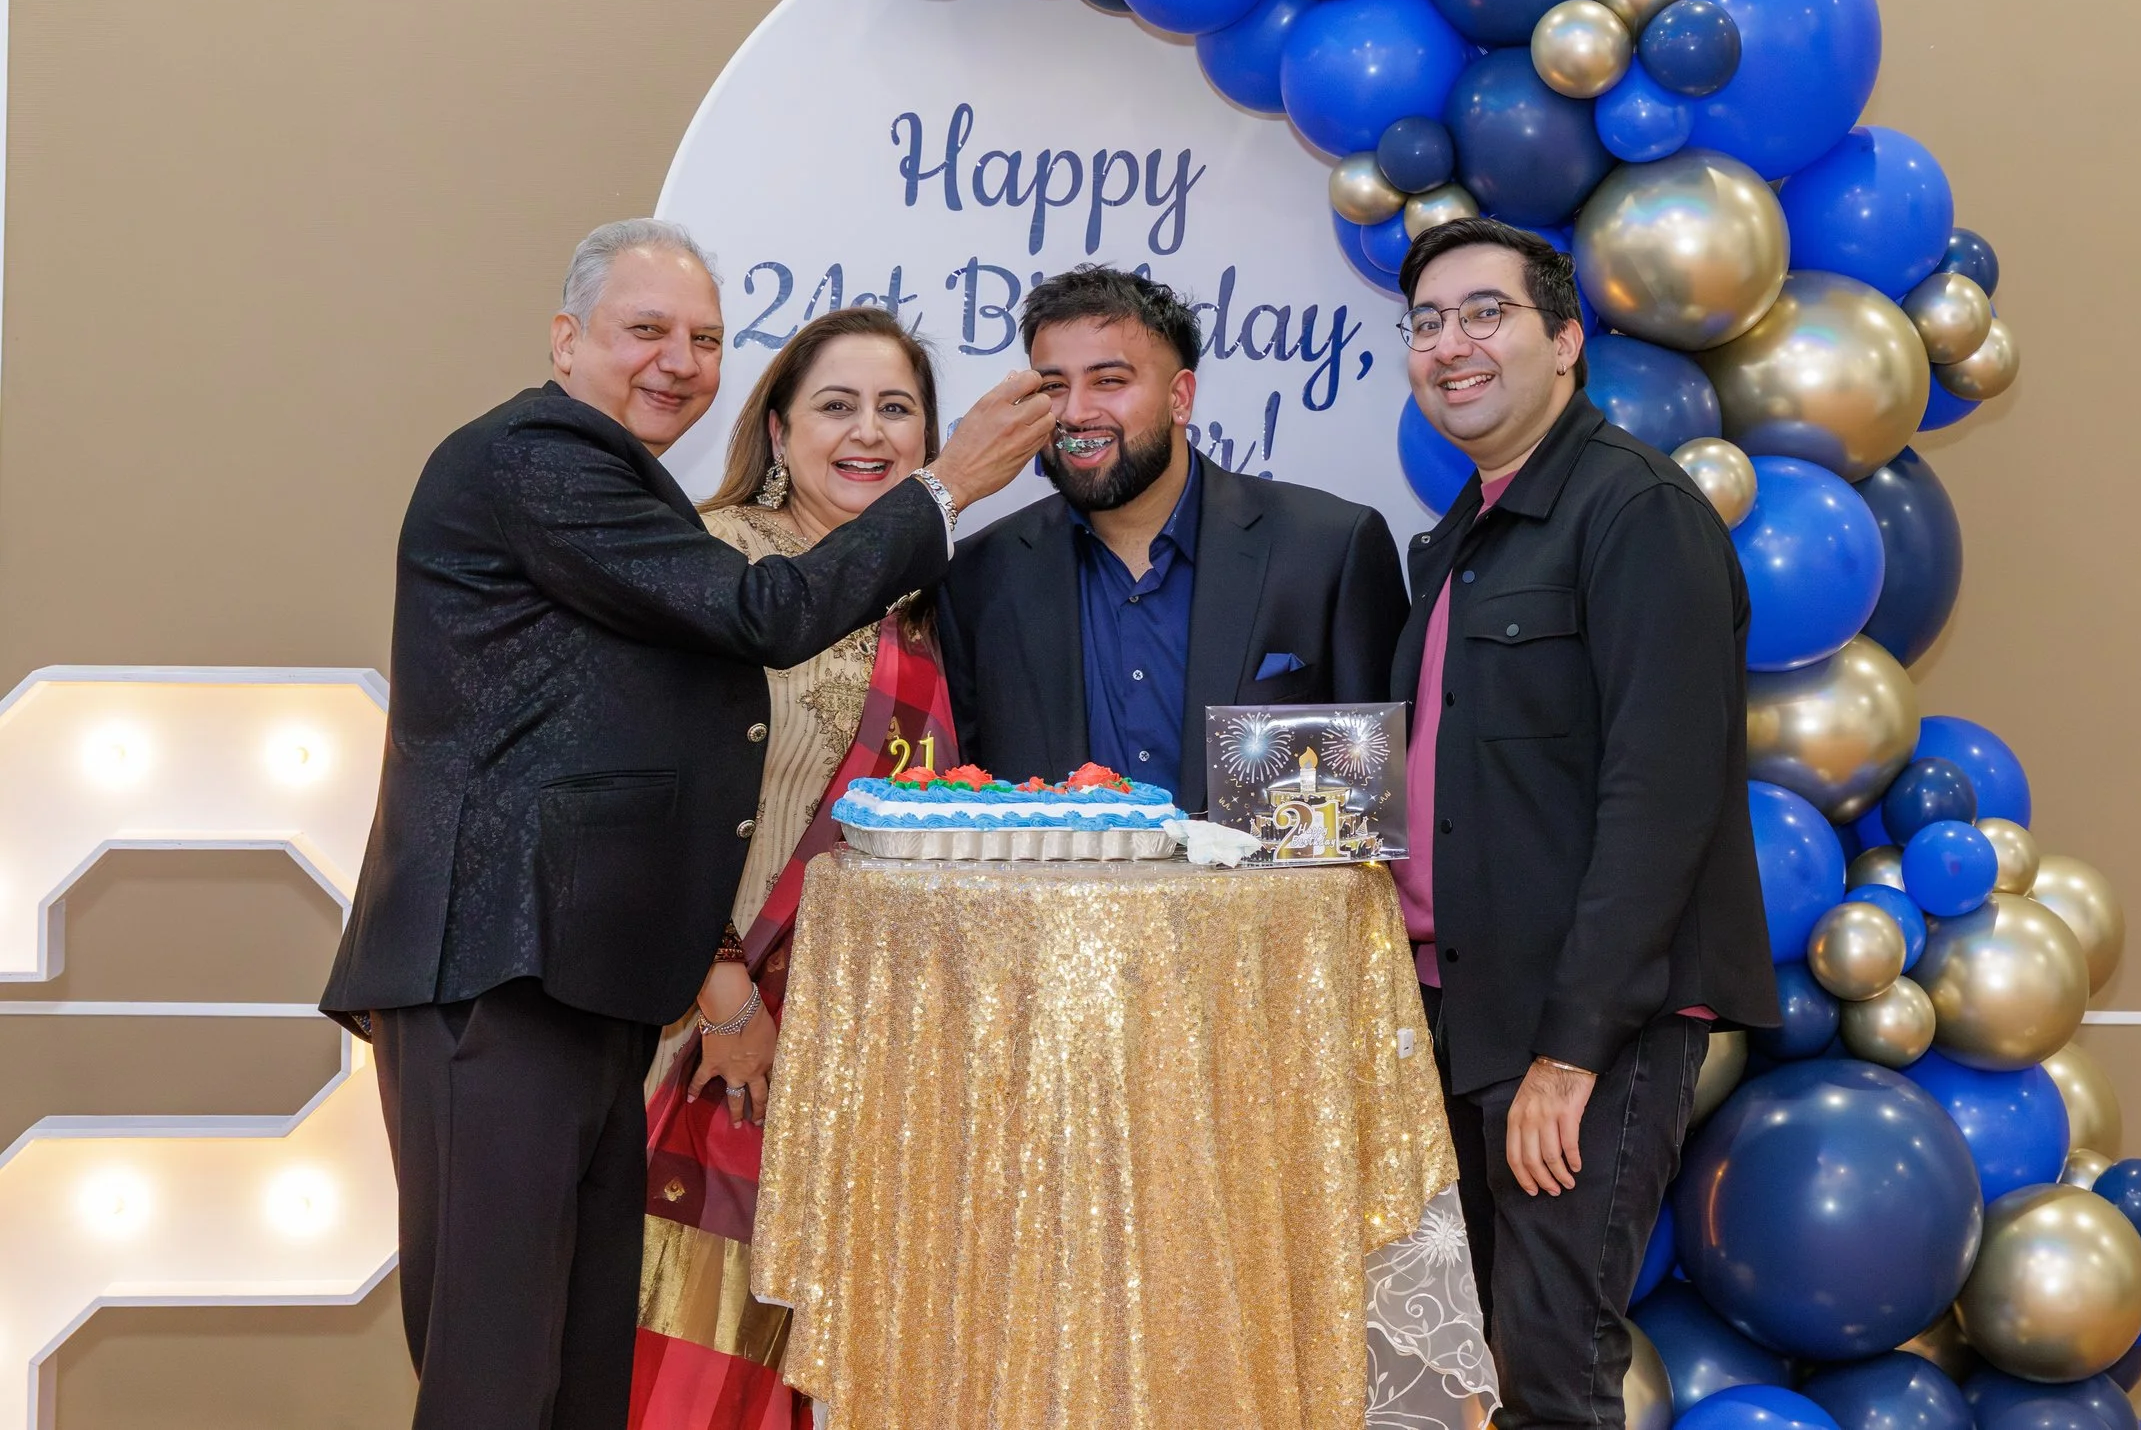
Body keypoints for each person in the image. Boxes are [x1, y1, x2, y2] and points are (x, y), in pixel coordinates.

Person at [319, 220, 1051, 1430]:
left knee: (578, 1374)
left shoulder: (621, 486)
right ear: (567, 340)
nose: (678, 361)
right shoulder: (539, 456)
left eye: (704, 338)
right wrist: (950, 481)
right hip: (495, 974)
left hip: (585, 987)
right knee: (498, 1378)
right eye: (644, 331)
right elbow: (767, 609)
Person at [1388, 217, 1779, 1429]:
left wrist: (1571, 1052)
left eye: (1484, 313)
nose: (1451, 343)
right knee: (1468, 1376)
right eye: (1427, 322)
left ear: (1565, 340)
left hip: (1578, 1031)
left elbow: (1659, 799)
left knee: (1552, 1377)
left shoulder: (1636, 511)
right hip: (1462, 1014)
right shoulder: (1460, 535)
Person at [629, 306, 963, 1430]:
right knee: (697, 1361)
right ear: (777, 430)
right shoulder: (714, 560)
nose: (867, 432)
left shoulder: (929, 609)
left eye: (896, 409)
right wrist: (724, 995)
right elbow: (648, 796)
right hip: (713, 1036)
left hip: (866, 1061)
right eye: (836, 404)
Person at [939, 263, 1408, 810]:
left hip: (1265, 898)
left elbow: (1378, 806)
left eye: (1109, 381)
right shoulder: (980, 576)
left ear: (1180, 398)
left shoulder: (1329, 549)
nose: (1076, 412)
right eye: (1053, 387)